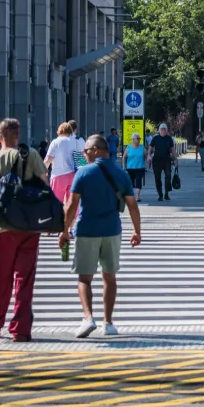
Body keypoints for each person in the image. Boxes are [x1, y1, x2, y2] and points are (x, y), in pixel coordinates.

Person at [60, 134, 141, 338]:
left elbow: (72, 205)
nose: (84, 155)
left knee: (85, 278)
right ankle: (108, 323)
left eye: (86, 151)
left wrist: (64, 230)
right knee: (109, 277)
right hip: (112, 230)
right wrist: (137, 231)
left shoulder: (83, 173)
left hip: (87, 230)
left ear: (95, 150)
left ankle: (88, 318)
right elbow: (132, 205)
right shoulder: (121, 174)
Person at [0, 118, 48, 342]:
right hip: (29, 226)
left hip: (2, 228)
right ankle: (20, 330)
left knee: (0, 278)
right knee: (25, 280)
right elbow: (45, 184)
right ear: (18, 135)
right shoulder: (33, 156)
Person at [44, 122, 84, 205]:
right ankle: (72, 217)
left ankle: (58, 217)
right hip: (72, 175)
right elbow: (80, 160)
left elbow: (48, 159)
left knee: (56, 202)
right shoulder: (75, 141)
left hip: (58, 176)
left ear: (59, 131)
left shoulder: (55, 142)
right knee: (72, 203)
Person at [149, 123, 177, 201]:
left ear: (166, 130)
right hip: (157, 160)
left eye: (164, 129)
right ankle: (160, 194)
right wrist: (148, 156)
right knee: (157, 178)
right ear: (159, 130)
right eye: (162, 129)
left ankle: (166, 194)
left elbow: (172, 149)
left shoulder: (169, 138)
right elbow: (150, 147)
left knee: (168, 176)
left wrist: (175, 159)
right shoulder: (155, 138)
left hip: (167, 160)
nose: (163, 131)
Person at [124, 133, 146, 202]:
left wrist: (148, 159)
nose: (139, 140)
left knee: (138, 182)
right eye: (137, 138)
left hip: (140, 168)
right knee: (131, 183)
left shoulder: (142, 147)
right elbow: (124, 157)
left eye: (139, 138)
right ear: (133, 139)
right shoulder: (128, 147)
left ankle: (138, 197)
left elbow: (146, 155)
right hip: (130, 168)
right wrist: (124, 167)